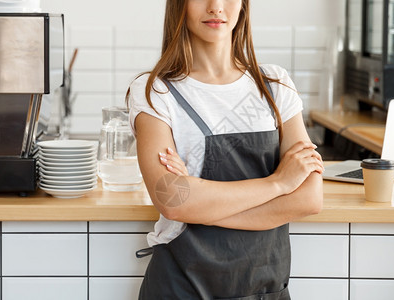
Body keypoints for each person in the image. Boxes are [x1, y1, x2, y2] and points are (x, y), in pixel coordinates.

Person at [127, 0, 324, 298]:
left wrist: (196, 206)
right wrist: (279, 182)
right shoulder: (155, 90)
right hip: (180, 289)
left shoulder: (275, 85)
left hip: (264, 291)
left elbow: (308, 199)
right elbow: (171, 198)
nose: (216, 7)